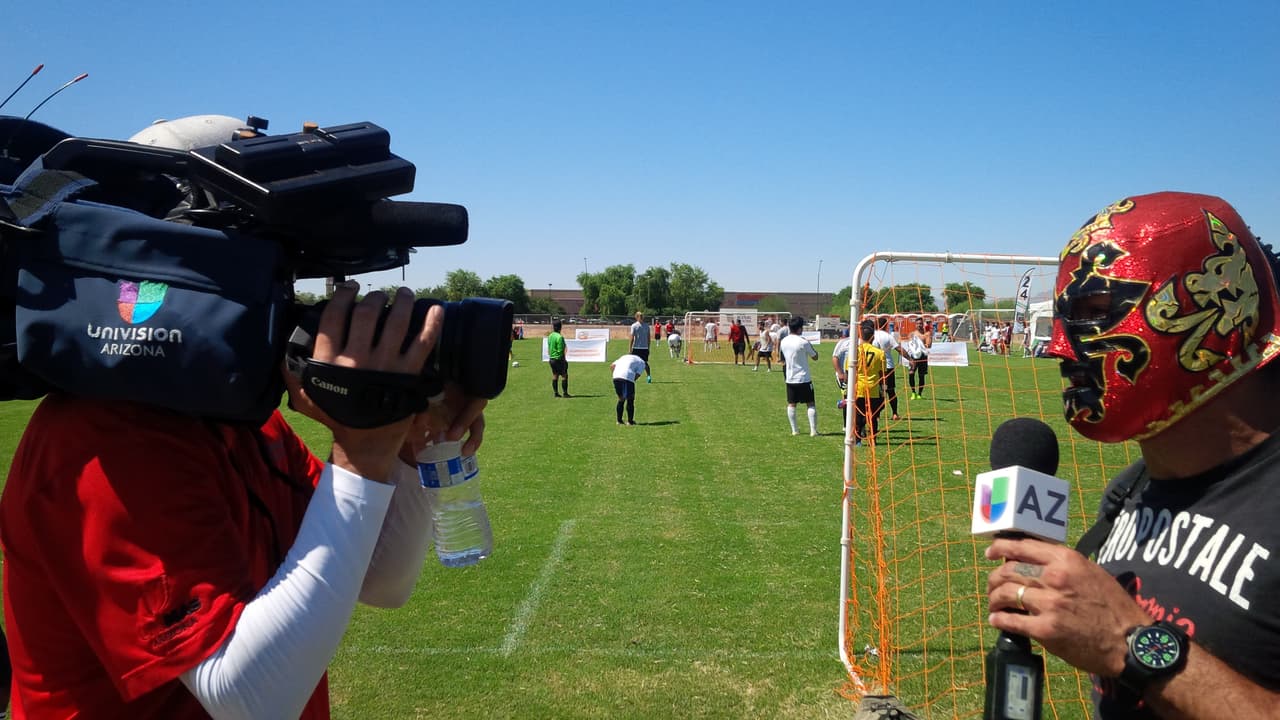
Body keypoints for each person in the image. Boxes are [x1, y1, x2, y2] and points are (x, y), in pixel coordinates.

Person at [1, 281, 487, 719]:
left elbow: (381, 582)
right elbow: (251, 702)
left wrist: (402, 448)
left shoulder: (245, 423)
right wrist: (361, 458)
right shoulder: (103, 441)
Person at [983, 192, 1280, 719]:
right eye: (1063, 317)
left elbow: (1123, 643)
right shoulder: (1130, 491)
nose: (1058, 346)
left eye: (1096, 311)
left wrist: (1130, 643)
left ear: (1215, 306)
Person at [779, 316, 819, 436]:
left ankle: (794, 430)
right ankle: (813, 430)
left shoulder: (784, 341)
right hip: (804, 378)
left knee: (792, 404)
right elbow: (815, 356)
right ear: (800, 328)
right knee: (810, 403)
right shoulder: (803, 341)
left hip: (790, 377)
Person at [851, 320, 885, 446]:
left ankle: (858, 439)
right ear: (873, 337)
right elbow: (882, 373)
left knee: (859, 414)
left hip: (858, 387)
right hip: (874, 388)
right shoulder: (880, 353)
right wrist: (883, 388)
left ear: (860, 336)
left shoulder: (855, 351)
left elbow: (850, 370)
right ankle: (873, 440)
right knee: (873, 416)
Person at [872, 316, 908, 421]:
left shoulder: (871, 335)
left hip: (875, 367)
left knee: (877, 391)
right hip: (888, 367)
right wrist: (910, 359)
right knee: (891, 391)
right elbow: (899, 349)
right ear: (886, 325)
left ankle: (876, 414)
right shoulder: (888, 336)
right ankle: (895, 413)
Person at [610, 353, 648, 426]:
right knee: (630, 399)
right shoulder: (642, 362)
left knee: (621, 399)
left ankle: (619, 421)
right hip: (627, 377)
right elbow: (637, 375)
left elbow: (612, 366)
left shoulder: (624, 356)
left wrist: (616, 375)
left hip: (616, 376)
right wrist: (631, 381)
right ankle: (630, 422)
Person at [902, 323, 931, 399]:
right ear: (916, 325)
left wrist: (921, 345)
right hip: (914, 357)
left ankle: (919, 394)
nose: (919, 325)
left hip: (923, 357)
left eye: (920, 324)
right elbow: (909, 343)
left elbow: (929, 345)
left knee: (921, 376)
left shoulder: (926, 334)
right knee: (911, 373)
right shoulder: (912, 334)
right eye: (917, 324)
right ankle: (913, 392)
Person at [831, 327, 853, 426]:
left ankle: (857, 425)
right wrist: (840, 373)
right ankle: (846, 425)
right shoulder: (843, 343)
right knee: (848, 399)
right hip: (844, 376)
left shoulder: (861, 342)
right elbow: (835, 358)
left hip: (858, 376)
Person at [547, 319, 570, 397]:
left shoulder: (550, 336)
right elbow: (560, 351)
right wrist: (564, 360)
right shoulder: (560, 337)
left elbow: (549, 347)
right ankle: (565, 393)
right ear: (560, 327)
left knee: (555, 375)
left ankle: (556, 393)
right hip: (559, 359)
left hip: (552, 359)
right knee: (564, 375)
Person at [628, 311, 653, 383]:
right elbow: (648, 338)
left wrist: (630, 348)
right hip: (642, 348)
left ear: (636, 317)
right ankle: (648, 376)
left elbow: (632, 338)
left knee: (635, 363)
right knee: (644, 363)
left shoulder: (634, 326)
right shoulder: (646, 326)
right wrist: (648, 347)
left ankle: (634, 377)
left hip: (637, 348)